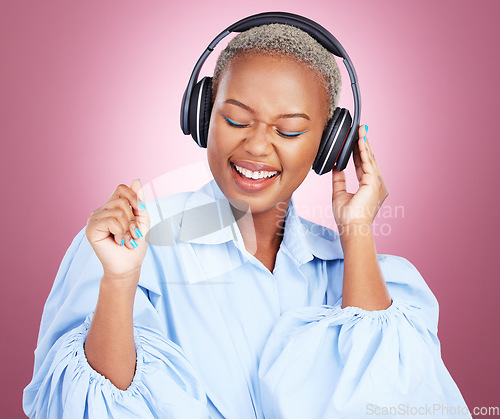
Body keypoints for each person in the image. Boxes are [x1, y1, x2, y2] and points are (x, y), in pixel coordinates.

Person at [23, 17, 470, 419]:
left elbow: (398, 405)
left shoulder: (355, 274)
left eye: (290, 130)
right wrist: (119, 283)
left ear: (330, 143)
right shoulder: (130, 240)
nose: (257, 147)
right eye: (236, 120)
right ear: (202, 116)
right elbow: (80, 409)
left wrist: (356, 234)